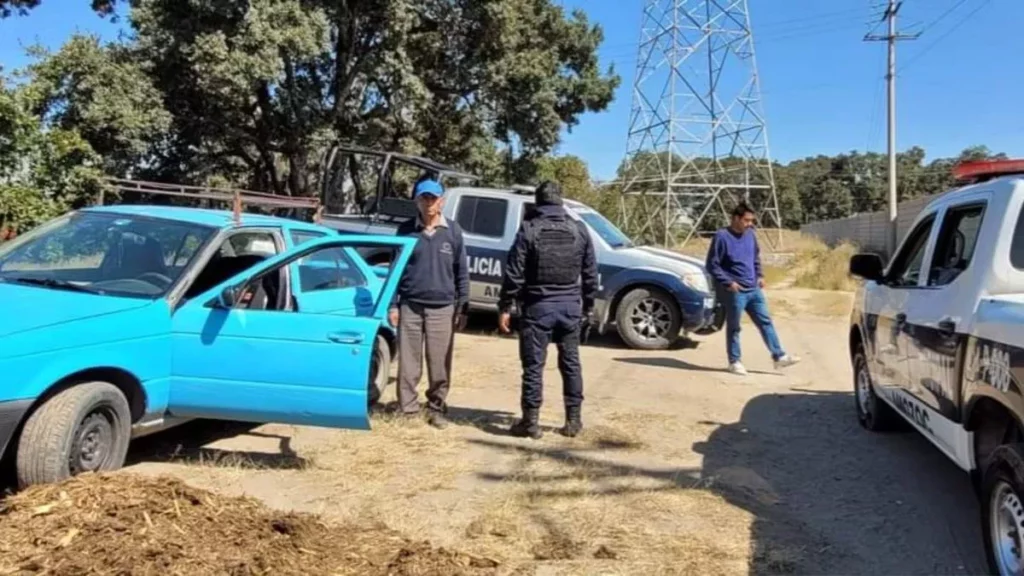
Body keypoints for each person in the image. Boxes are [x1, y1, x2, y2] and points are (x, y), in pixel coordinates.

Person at [497, 181, 598, 439]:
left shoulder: (529, 229)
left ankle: (530, 422)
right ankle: (573, 421)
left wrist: (505, 305)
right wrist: (588, 306)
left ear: (538, 202)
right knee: (571, 363)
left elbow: (514, 273)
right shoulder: (579, 229)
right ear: (560, 202)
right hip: (570, 307)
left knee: (533, 366)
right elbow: (590, 273)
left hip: (537, 307)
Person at [389, 178, 469, 428]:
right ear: (417, 201)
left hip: (442, 308)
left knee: (439, 362)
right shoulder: (404, 231)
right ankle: (408, 409)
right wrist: (393, 305)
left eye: (433, 198)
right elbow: (395, 271)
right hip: (410, 305)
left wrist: (462, 307)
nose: (428, 203)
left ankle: (436, 408)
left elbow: (462, 272)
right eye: (424, 198)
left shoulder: (453, 231)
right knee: (408, 362)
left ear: (441, 201)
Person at [706, 202, 800, 376]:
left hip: (753, 289)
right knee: (734, 327)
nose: (749, 224)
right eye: (746, 220)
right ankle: (734, 361)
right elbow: (712, 265)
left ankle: (778, 356)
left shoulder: (750, 235)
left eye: (751, 221)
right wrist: (728, 282)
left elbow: (755, 257)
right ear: (736, 218)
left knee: (765, 322)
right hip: (735, 290)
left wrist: (760, 275)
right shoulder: (722, 236)